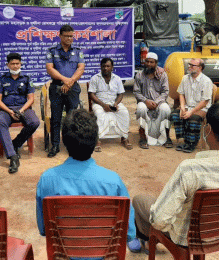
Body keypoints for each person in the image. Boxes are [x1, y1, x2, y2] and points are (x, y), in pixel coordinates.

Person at [128, 103, 219, 253]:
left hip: (188, 238)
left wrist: (174, 223)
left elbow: (159, 220)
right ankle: (147, 241)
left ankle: (146, 241)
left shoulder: (190, 170)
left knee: (140, 201)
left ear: (208, 130)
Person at [36, 109, 136, 243]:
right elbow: (128, 233)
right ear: (95, 141)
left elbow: (44, 229)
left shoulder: (47, 179)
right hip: (104, 255)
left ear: (64, 141)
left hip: (64, 255)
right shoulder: (113, 182)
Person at [0, 53, 40, 174]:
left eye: (17, 63)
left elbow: (31, 99)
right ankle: (12, 157)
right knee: (0, 123)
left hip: (23, 108)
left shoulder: (26, 78)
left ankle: (15, 143)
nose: (15, 66)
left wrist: (20, 111)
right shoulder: (2, 78)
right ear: (7, 65)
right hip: (6, 109)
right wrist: (10, 111)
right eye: (12, 64)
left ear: (21, 64)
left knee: (35, 122)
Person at [45, 24, 85, 158]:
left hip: (73, 88)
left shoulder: (78, 51)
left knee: (72, 118)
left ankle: (71, 145)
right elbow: (50, 68)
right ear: (60, 36)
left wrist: (70, 82)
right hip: (56, 88)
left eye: (71, 36)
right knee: (56, 118)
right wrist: (65, 80)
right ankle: (55, 145)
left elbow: (80, 68)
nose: (69, 38)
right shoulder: (52, 51)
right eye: (67, 36)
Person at [88, 58, 132, 152]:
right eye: (103, 66)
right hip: (99, 103)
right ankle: (98, 140)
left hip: (113, 102)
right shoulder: (95, 78)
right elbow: (91, 94)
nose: (105, 68)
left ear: (112, 67)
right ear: (100, 67)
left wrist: (116, 103)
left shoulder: (117, 79)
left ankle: (124, 138)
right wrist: (103, 105)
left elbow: (120, 94)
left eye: (108, 66)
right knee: (99, 114)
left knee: (124, 113)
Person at [170, 58, 213, 153]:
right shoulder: (185, 78)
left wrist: (191, 112)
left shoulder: (206, 81)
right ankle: (184, 140)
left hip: (202, 108)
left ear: (200, 68)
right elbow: (181, 93)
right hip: (188, 106)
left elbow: (205, 102)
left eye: (192, 65)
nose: (189, 66)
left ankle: (192, 143)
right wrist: (182, 107)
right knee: (175, 115)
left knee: (193, 118)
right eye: (189, 64)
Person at [133, 52, 172, 149]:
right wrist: (146, 101)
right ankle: (142, 137)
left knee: (166, 109)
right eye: (147, 61)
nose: (149, 64)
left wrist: (156, 102)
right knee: (140, 108)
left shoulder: (162, 75)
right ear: (144, 62)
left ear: (156, 63)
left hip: (159, 102)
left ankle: (167, 136)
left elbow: (165, 92)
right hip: (144, 102)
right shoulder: (139, 75)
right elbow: (136, 92)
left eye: (152, 62)